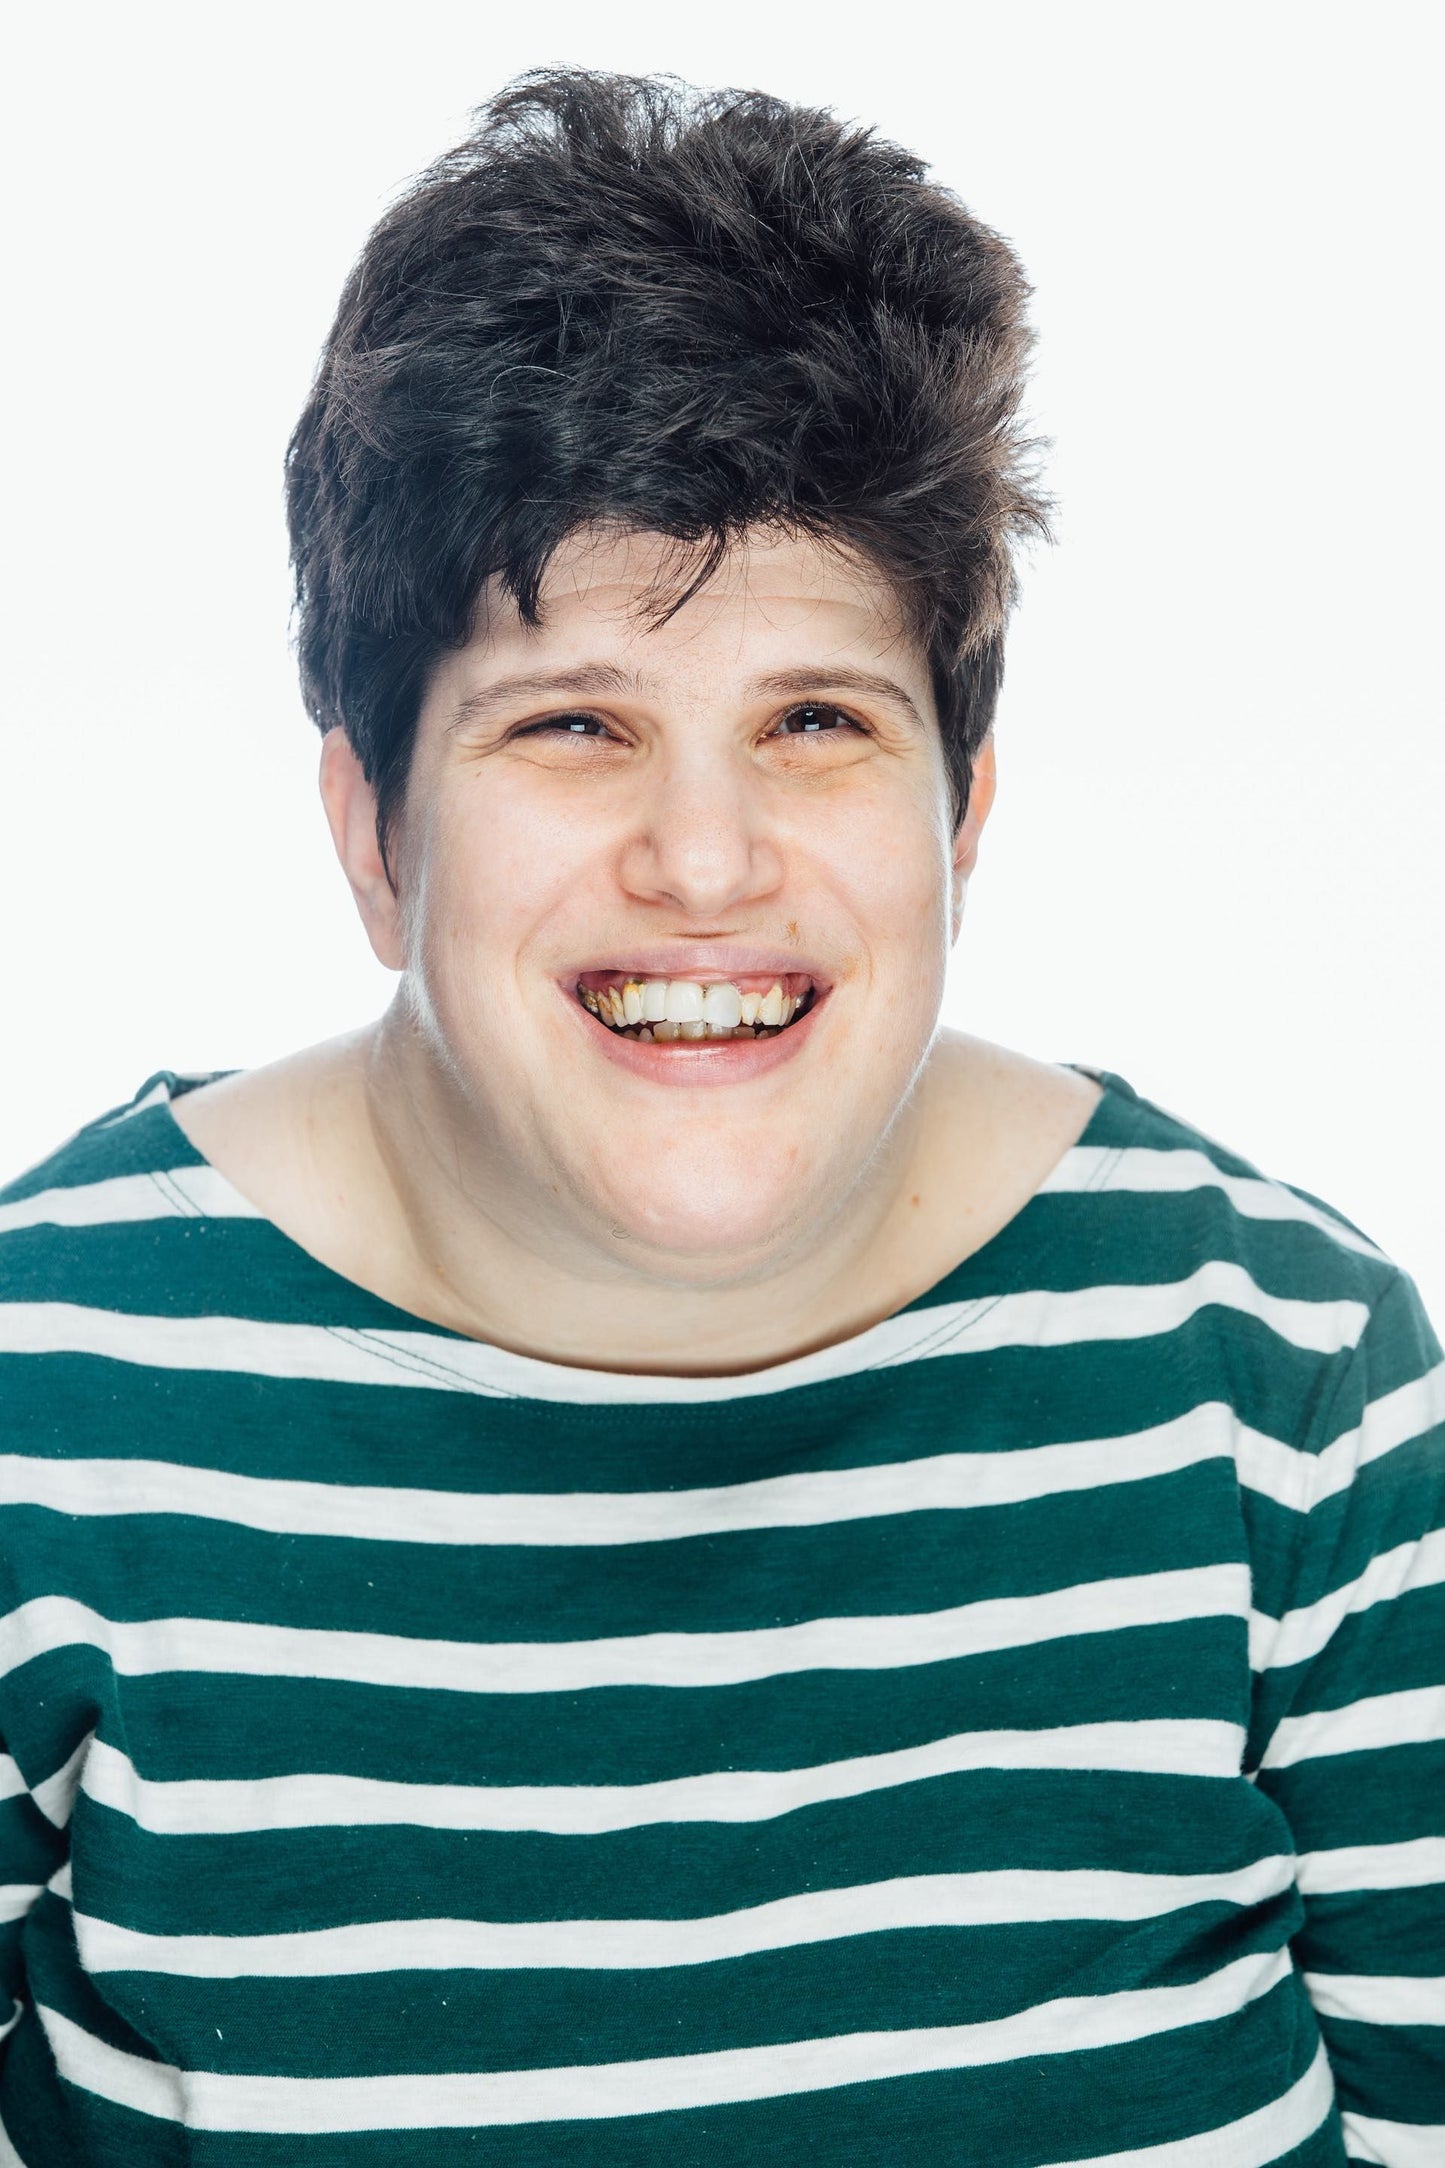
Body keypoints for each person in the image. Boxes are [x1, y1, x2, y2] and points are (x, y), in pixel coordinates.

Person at [0, 66, 1439, 2168]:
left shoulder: (1287, 1389)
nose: (706, 859)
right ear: (374, 833)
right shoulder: (50, 1406)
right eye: (573, 719)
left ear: (964, 813)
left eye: (818, 720)